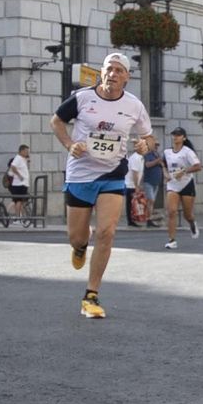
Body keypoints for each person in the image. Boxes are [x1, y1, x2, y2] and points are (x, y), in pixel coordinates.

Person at [50, 52, 153, 319]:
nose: (113, 74)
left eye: (119, 70)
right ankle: (80, 246)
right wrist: (70, 145)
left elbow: (149, 139)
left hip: (112, 174)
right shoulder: (83, 97)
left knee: (107, 233)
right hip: (80, 175)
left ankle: (91, 295)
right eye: (109, 69)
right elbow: (57, 121)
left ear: (126, 77)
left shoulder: (134, 105)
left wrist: (144, 146)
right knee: (77, 236)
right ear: (101, 72)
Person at [162, 127, 202, 249]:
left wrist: (184, 171)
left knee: (187, 214)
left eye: (178, 135)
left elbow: (198, 166)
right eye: (174, 134)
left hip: (186, 183)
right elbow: (163, 164)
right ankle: (172, 240)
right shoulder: (167, 152)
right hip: (172, 185)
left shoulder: (187, 152)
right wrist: (165, 174)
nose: (176, 137)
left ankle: (192, 223)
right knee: (172, 211)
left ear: (183, 138)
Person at [142, 135, 165, 228]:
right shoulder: (149, 155)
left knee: (152, 201)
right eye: (155, 145)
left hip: (156, 181)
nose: (156, 147)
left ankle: (149, 218)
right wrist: (157, 161)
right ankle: (148, 219)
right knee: (150, 200)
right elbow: (147, 165)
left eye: (158, 145)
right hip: (148, 181)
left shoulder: (157, 155)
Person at [7, 144, 31, 226]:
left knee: (20, 201)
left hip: (24, 183)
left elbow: (27, 168)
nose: (27, 152)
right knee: (18, 201)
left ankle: (22, 217)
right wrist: (19, 175)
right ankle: (18, 218)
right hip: (19, 183)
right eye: (26, 151)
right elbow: (13, 167)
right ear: (21, 151)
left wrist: (28, 160)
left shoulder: (23, 159)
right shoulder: (17, 158)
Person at [125, 148, 145, 227]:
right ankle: (130, 220)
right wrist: (137, 186)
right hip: (130, 184)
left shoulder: (141, 158)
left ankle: (133, 219)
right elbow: (134, 173)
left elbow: (141, 172)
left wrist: (140, 184)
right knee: (130, 203)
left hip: (135, 184)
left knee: (134, 203)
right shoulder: (135, 158)